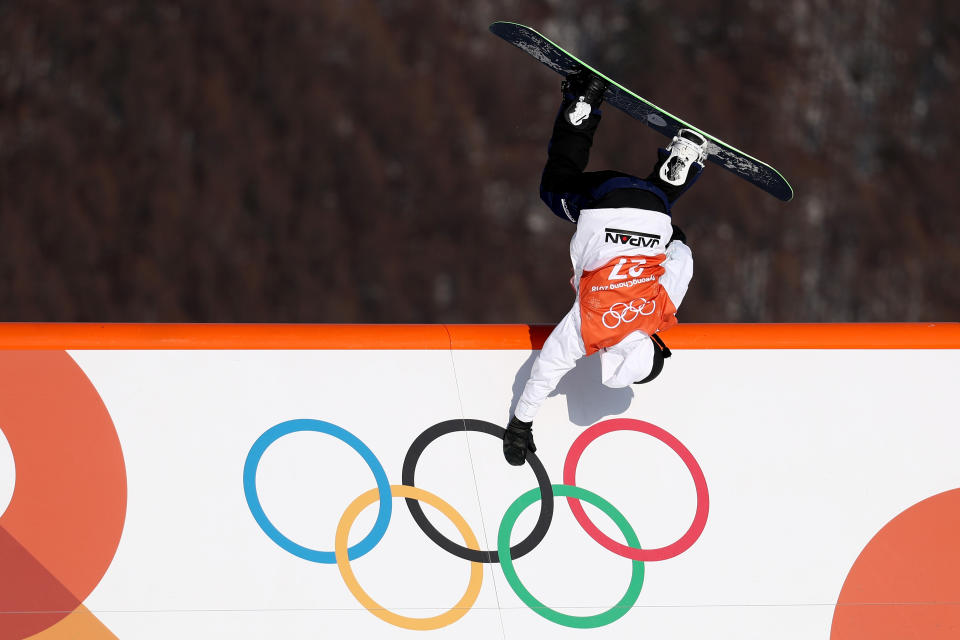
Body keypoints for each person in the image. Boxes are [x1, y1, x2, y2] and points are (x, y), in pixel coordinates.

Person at [503, 71, 707, 466]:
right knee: (556, 185)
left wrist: (672, 238)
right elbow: (546, 368)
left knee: (656, 204)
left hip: (653, 212)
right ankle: (582, 102)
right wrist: (520, 424)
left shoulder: (660, 312)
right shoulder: (588, 332)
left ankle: (683, 161)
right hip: (605, 202)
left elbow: (684, 261)